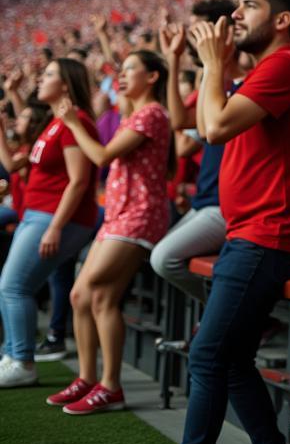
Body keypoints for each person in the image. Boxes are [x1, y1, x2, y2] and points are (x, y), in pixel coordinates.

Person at [170, 0, 290, 444]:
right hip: (253, 235)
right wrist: (218, 67)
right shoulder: (265, 69)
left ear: (282, 20)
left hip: (270, 237)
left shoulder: (288, 65)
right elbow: (197, 123)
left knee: (209, 353)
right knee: (228, 357)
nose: (234, 14)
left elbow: (211, 128)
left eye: (249, 6)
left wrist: (216, 64)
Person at [49, 50, 171, 413]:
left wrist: (72, 123)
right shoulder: (132, 114)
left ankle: (110, 384)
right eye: (120, 69)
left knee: (91, 292)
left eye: (131, 68)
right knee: (86, 297)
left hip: (138, 216)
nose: (121, 74)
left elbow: (101, 157)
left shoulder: (151, 113)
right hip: (118, 215)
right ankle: (90, 380)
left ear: (152, 77)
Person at [0, 60, 98, 388]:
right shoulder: (56, 121)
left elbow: (79, 181)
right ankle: (14, 355)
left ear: (67, 85)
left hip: (53, 216)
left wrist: (56, 227)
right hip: (37, 214)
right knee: (10, 285)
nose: (41, 78)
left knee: (14, 287)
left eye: (50, 74)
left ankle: (23, 362)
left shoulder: (76, 121)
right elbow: (14, 164)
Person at [150, 0, 243, 302]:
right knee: (160, 257)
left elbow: (202, 132)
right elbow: (182, 122)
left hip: (224, 203)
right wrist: (174, 58)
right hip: (204, 199)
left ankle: (235, 311)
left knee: (163, 258)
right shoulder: (210, 75)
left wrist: (210, 66)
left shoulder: (240, 78)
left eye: (197, 28)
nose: (190, 35)